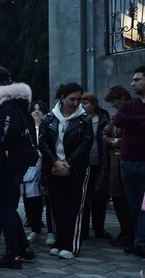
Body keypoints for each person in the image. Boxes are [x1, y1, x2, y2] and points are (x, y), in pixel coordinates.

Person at [0, 66, 38, 269]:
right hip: (19, 161)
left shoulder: (5, 105)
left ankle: (12, 253)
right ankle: (24, 247)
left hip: (10, 162)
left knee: (6, 207)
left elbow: (3, 135)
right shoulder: (19, 103)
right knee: (9, 206)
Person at [39, 83, 93, 260]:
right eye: (72, 99)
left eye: (79, 99)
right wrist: (55, 162)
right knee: (56, 206)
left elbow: (85, 144)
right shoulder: (49, 119)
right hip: (54, 168)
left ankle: (71, 244)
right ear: (62, 98)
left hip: (76, 168)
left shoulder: (84, 120)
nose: (76, 102)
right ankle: (59, 241)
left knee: (74, 207)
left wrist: (67, 164)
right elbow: (43, 143)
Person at [115, 66, 145, 257]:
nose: (132, 83)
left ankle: (141, 242)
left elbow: (126, 122)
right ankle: (138, 239)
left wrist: (131, 123)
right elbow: (119, 120)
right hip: (127, 162)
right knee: (133, 204)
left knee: (144, 205)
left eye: (137, 79)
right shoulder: (129, 105)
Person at [103, 85, 133, 248]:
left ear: (122, 98)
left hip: (129, 161)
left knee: (130, 200)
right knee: (118, 198)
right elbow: (105, 133)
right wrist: (112, 142)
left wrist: (119, 142)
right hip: (115, 164)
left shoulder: (133, 111)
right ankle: (124, 231)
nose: (113, 105)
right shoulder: (116, 116)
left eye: (114, 101)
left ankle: (132, 234)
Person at [81, 92, 111, 240]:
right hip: (84, 164)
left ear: (93, 104)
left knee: (100, 198)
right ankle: (83, 230)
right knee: (84, 198)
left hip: (100, 163)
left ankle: (99, 229)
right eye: (82, 103)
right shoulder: (80, 119)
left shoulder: (104, 117)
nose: (83, 106)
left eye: (86, 103)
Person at [23, 100, 49, 244]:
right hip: (31, 167)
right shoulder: (26, 128)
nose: (37, 111)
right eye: (34, 109)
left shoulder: (48, 126)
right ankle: (35, 228)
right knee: (32, 199)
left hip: (46, 166)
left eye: (40, 109)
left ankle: (51, 231)